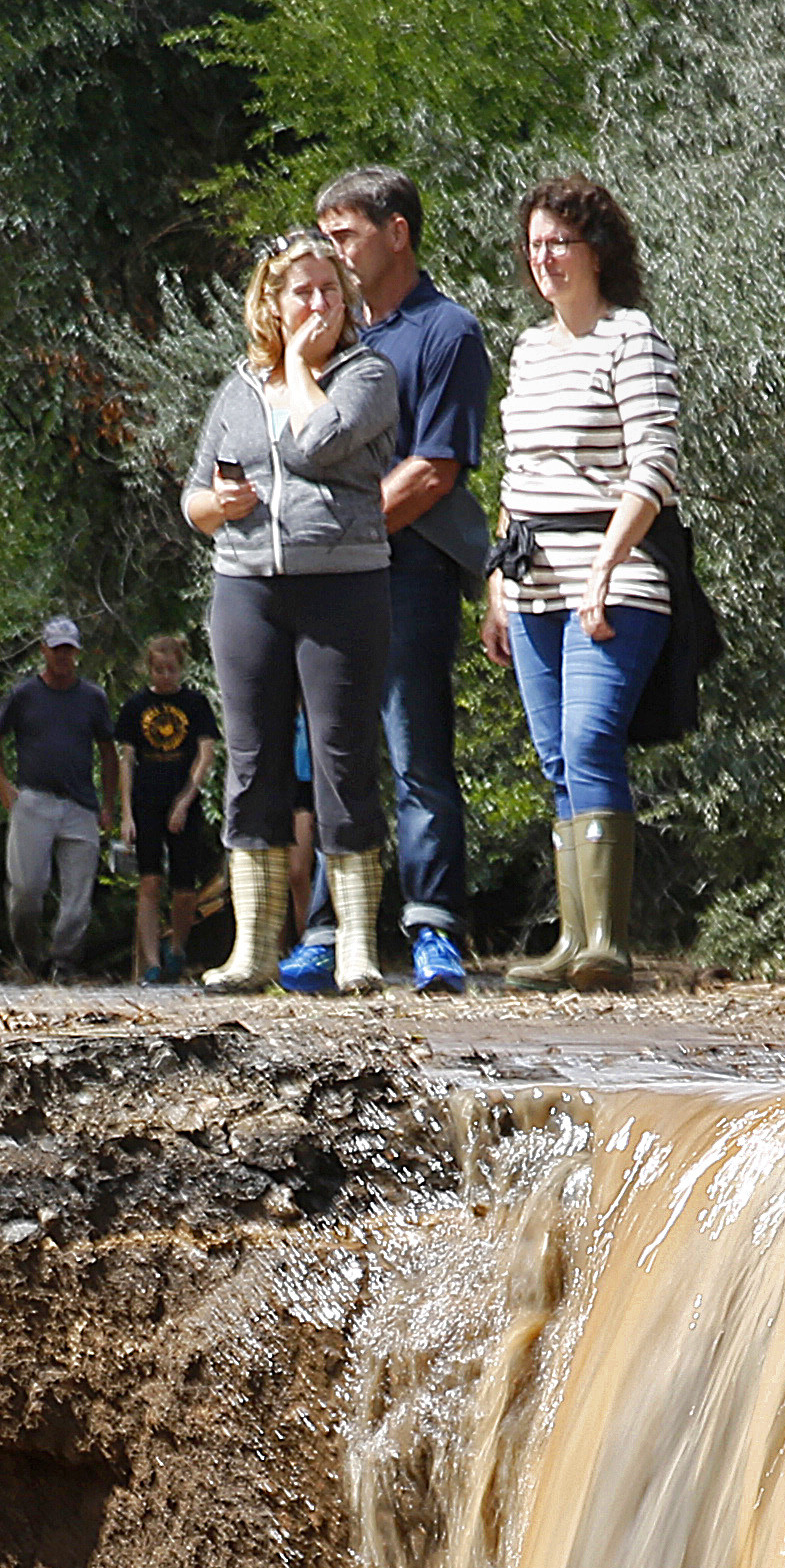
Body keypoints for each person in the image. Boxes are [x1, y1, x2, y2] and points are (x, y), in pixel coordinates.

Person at [182, 234, 400, 995]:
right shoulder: (237, 388)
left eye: (330, 292)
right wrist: (221, 504)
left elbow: (319, 439)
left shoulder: (366, 374)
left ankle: (357, 950)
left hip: (344, 586)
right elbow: (193, 499)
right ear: (270, 304)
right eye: (301, 293)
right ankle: (251, 951)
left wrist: (303, 365)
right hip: (246, 587)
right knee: (251, 766)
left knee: (343, 761)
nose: (318, 304)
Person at [486, 175, 677, 993]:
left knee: (592, 738)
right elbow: (515, 477)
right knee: (556, 754)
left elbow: (656, 465)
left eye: (558, 241)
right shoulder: (529, 350)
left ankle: (607, 943)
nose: (544, 258)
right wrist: (495, 587)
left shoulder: (633, 340)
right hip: (530, 578)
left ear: (596, 249)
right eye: (534, 245)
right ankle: (572, 941)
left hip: (618, 570)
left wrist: (603, 566)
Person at [318, 164, 493, 995]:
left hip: (408, 572)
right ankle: (330, 933)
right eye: (325, 239)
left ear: (398, 232)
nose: (335, 254)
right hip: (324, 583)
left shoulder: (448, 332)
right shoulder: (330, 337)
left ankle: (433, 934)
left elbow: (435, 471)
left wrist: (337, 534)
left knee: (416, 755)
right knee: (328, 758)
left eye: (345, 234)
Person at [0, 619, 121, 974]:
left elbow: (108, 752)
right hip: (34, 800)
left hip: (80, 804)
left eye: (68, 650)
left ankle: (64, 960)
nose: (62, 657)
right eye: (56, 649)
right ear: (44, 650)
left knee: (77, 897)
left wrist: (109, 805)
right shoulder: (25, 695)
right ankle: (30, 956)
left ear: (76, 652)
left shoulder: (92, 697)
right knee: (26, 890)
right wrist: (3, 785)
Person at [117, 630, 221, 981]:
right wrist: (126, 813)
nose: (165, 676)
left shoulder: (195, 704)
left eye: (171, 669)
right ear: (149, 669)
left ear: (181, 668)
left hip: (183, 799)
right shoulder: (135, 707)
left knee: (184, 885)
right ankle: (151, 963)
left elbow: (206, 755)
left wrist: (185, 799)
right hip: (146, 800)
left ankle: (177, 947)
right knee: (149, 881)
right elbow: (126, 761)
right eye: (158, 669)